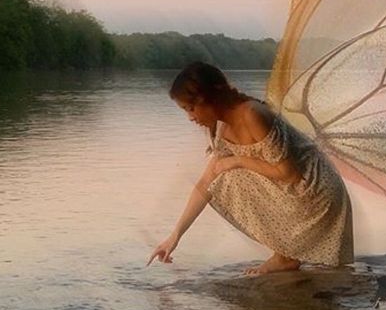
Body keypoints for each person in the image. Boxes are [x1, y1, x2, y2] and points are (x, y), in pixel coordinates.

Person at [146, 61, 354, 276]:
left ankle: (284, 257)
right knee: (220, 175)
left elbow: (289, 174)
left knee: (229, 176)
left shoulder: (251, 114)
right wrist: (175, 236)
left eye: (191, 108)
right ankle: (284, 255)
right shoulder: (220, 125)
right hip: (294, 190)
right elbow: (206, 182)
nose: (190, 117)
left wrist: (237, 161)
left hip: (316, 189)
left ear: (210, 98)